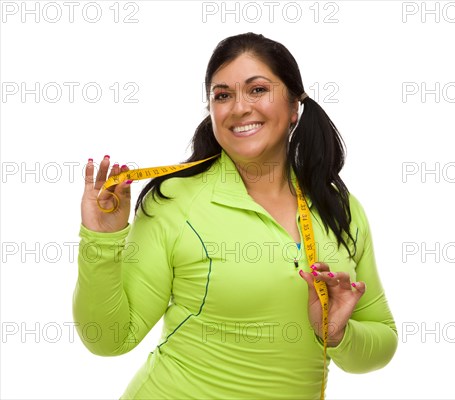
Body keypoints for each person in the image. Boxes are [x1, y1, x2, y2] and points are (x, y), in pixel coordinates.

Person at [73, 32, 397, 399]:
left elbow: (382, 339)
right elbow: (110, 338)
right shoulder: (176, 202)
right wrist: (100, 241)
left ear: (294, 106)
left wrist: (337, 334)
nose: (239, 107)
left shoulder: (339, 207)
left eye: (257, 89)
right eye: (223, 95)